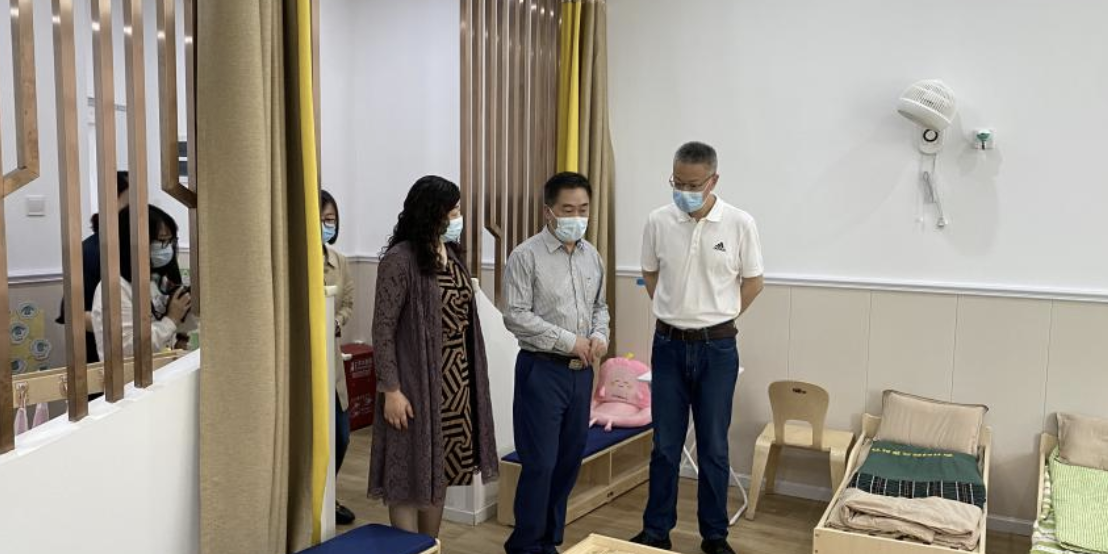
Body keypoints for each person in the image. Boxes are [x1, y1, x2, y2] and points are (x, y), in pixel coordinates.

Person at [630, 142, 764, 554]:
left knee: (714, 447)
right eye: (677, 182)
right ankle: (656, 531)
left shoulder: (739, 223)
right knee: (665, 447)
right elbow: (650, 274)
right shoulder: (658, 221)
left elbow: (754, 281)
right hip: (668, 345)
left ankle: (715, 536)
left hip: (718, 348)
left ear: (713, 181)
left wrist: (719, 317)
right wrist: (675, 312)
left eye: (692, 185)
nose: (683, 191)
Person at [369, 175, 498, 537]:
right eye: (452, 211)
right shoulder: (399, 260)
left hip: (455, 385)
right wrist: (391, 390)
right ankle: (408, 547)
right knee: (408, 473)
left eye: (457, 210)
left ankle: (430, 544)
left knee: (438, 472)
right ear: (430, 212)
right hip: (413, 384)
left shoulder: (451, 253)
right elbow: (382, 329)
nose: (458, 218)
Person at [503, 172, 610, 554]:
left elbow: (600, 306)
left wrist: (599, 336)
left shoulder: (591, 255)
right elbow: (515, 315)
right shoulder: (526, 256)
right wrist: (570, 341)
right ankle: (525, 545)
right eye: (568, 209)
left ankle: (548, 542)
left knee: (568, 462)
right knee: (541, 464)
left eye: (583, 209)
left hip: (581, 375)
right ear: (548, 211)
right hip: (542, 370)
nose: (577, 217)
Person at [91, 205, 195, 360]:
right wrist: (171, 319)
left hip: (163, 367)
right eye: (161, 241)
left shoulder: (157, 280)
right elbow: (129, 349)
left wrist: (181, 335)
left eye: (170, 241)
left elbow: (169, 327)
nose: (167, 248)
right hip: (130, 373)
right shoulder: (114, 289)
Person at [57, 171, 130, 363]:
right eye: (132, 200)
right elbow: (74, 314)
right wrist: (129, 328)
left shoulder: (152, 248)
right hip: (101, 358)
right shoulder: (89, 251)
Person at [320, 189, 357, 525]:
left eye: (330, 219)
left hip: (332, 362)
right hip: (304, 367)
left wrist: (337, 320)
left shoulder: (339, 261)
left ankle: (327, 495)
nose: (325, 225)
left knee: (341, 434)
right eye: (319, 219)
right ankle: (317, 503)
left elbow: (347, 303)